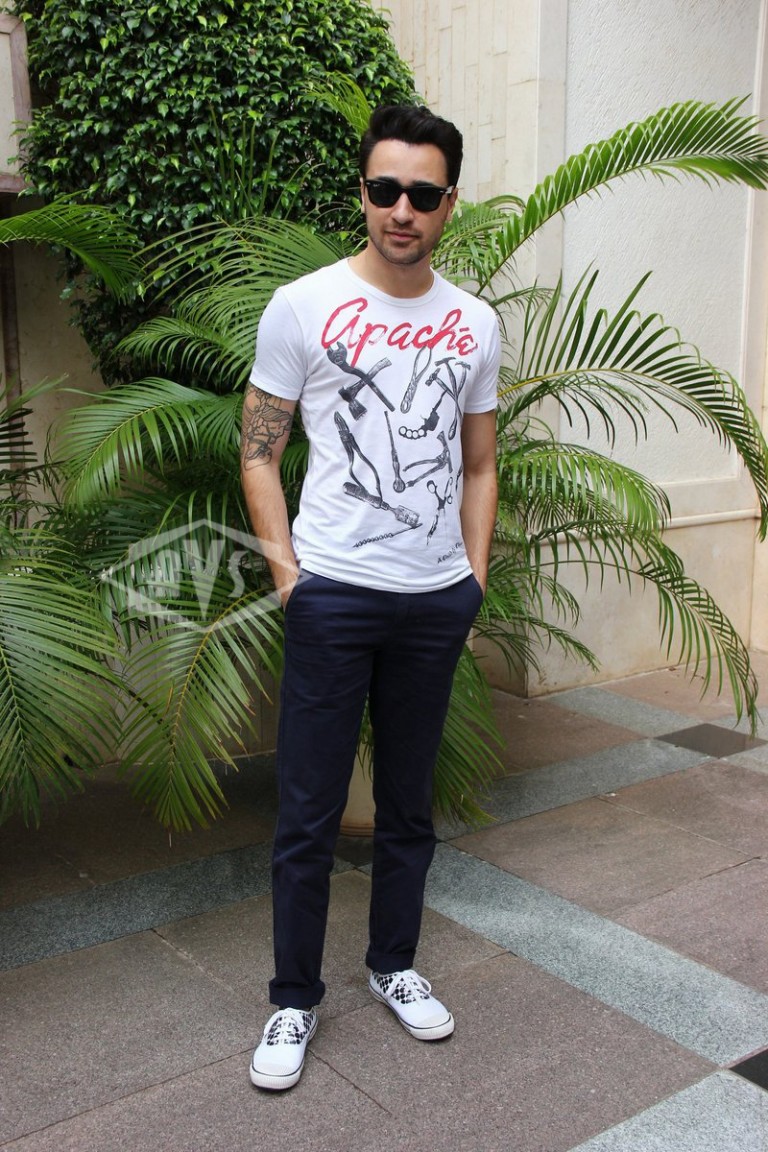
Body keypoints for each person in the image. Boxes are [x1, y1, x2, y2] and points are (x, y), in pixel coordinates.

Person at [240, 103, 501, 1091]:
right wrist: (289, 581)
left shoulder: (476, 323)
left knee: (407, 806)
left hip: (433, 603)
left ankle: (393, 964)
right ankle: (293, 999)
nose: (402, 210)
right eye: (385, 189)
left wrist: (472, 581)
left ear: (448, 204)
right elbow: (258, 453)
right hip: (333, 597)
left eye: (422, 194)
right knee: (307, 813)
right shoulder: (301, 307)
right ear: (362, 192)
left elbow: (482, 463)